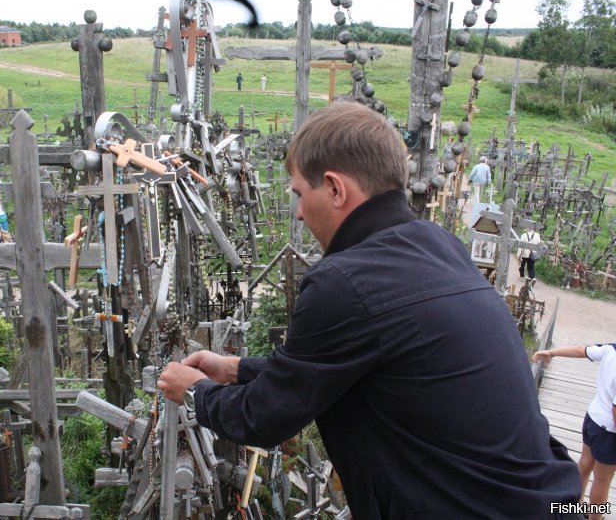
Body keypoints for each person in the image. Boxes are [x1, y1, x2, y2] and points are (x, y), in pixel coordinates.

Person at [159, 102, 581, 518]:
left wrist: (193, 391)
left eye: (300, 194)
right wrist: (235, 369)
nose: (300, 213)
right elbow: (329, 367)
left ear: (335, 188)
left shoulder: (343, 282)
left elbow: (265, 418)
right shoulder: (439, 244)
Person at [533, 345, 616, 520]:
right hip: (610, 431)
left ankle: (575, 508)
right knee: (602, 480)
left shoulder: (610, 349)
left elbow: (581, 351)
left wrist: (551, 352)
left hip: (593, 418)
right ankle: (595, 518)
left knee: (584, 465)